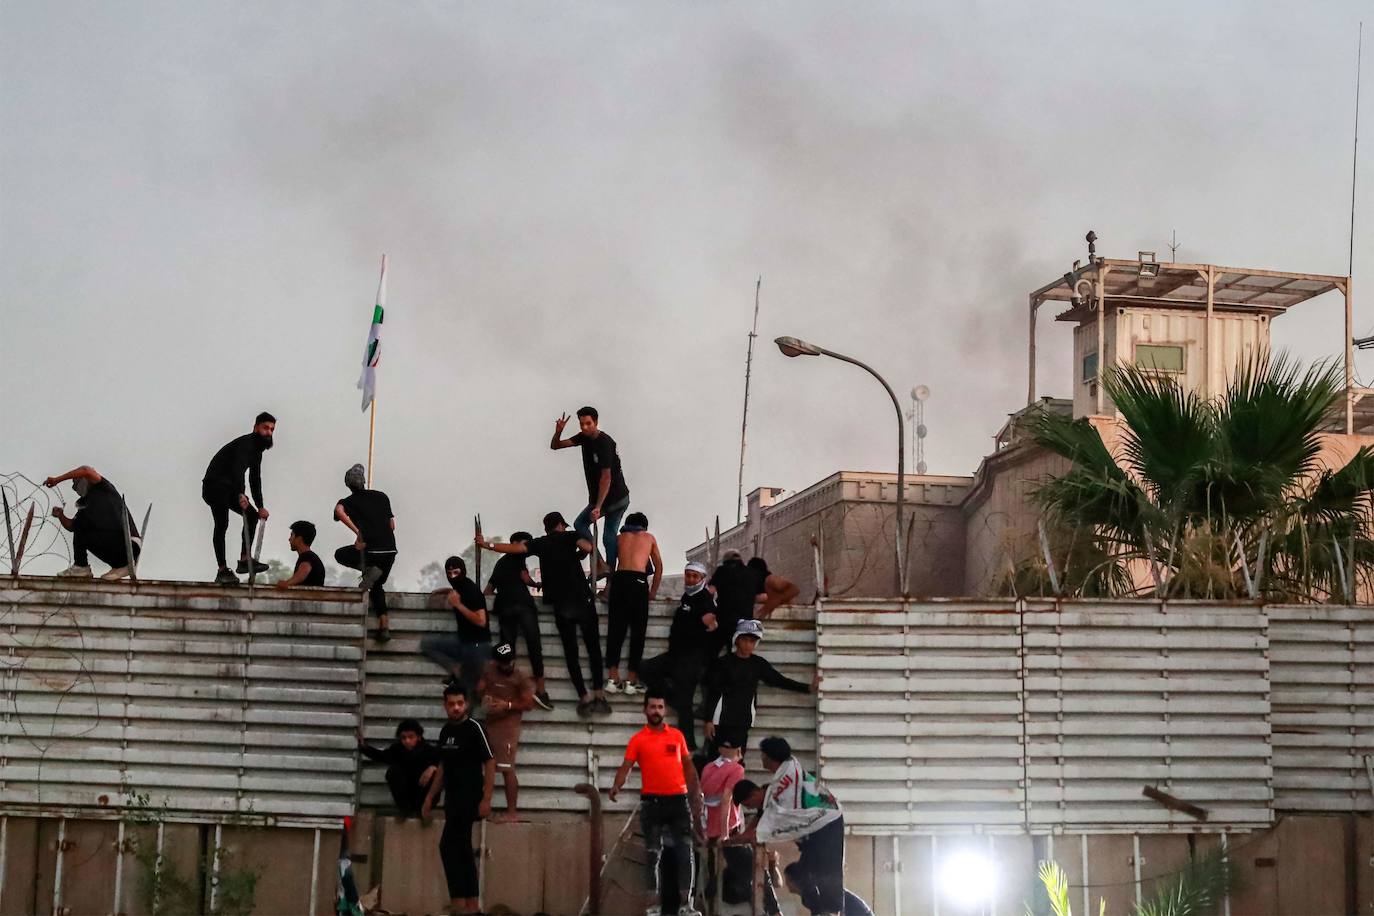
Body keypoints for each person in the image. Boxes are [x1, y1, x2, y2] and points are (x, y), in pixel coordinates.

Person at [477, 512, 610, 718]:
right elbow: (588, 547)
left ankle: (583, 697)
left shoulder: (540, 544)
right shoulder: (569, 537)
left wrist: (488, 545)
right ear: (560, 525)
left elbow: (515, 549)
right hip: (581, 599)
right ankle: (600, 696)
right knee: (593, 648)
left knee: (570, 652)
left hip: (560, 604)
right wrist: (583, 548)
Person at [609, 691, 705, 916]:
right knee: (653, 854)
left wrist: (696, 792)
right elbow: (627, 766)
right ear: (645, 710)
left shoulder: (677, 736)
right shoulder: (638, 740)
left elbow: (688, 767)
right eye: (652, 707)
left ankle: (686, 905)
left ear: (665, 710)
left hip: (678, 801)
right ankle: (653, 906)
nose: (656, 711)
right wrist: (617, 785)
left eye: (660, 707)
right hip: (652, 802)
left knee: (685, 852)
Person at [727, 737, 845, 916]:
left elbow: (757, 830)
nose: (761, 759)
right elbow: (756, 825)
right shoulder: (775, 786)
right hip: (814, 829)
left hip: (826, 823)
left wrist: (731, 841)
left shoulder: (784, 783)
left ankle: (829, 911)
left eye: (763, 755)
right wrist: (735, 838)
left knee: (827, 875)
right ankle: (819, 911)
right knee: (796, 875)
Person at [421, 682, 495, 916]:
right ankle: (467, 904)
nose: (455, 708)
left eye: (459, 703)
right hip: (452, 799)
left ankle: (465, 905)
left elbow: (490, 762)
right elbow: (443, 767)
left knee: (451, 845)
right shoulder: (446, 732)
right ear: (445, 706)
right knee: (458, 847)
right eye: (451, 704)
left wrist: (486, 798)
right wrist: (431, 797)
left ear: (466, 704)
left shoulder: (475, 728)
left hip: (470, 797)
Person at [637, 562, 718, 751]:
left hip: (691, 660)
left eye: (694, 577)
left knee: (685, 706)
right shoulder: (687, 596)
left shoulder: (704, 599)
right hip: (675, 656)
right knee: (644, 669)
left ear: (702, 579)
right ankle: (674, 698)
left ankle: (688, 745)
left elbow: (711, 623)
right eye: (687, 575)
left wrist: (708, 623)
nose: (690, 580)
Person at [701, 621, 815, 753]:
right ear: (737, 640)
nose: (748, 644)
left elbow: (779, 680)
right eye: (745, 640)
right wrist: (708, 720)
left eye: (752, 641)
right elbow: (712, 692)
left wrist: (808, 688)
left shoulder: (758, 664)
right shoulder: (723, 663)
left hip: (743, 720)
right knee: (716, 760)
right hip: (721, 720)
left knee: (737, 761)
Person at [549, 406, 630, 574]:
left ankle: (606, 573)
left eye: (588, 424)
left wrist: (598, 506)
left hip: (616, 498)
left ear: (596, 422)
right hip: (601, 498)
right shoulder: (583, 438)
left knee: (599, 532)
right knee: (601, 534)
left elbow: (606, 478)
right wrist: (558, 431)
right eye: (582, 424)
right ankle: (602, 565)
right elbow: (555, 446)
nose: (585, 427)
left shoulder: (605, 442)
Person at [201, 412, 275, 586]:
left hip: (230, 487)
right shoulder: (246, 444)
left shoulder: (257, 451)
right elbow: (237, 469)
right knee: (222, 523)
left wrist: (260, 506)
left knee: (252, 516)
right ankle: (222, 569)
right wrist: (241, 494)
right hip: (215, 486)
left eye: (272, 429)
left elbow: (255, 479)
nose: (269, 433)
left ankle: (244, 559)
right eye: (265, 428)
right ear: (256, 427)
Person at [484, 531, 551, 710]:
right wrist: (535, 585)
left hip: (505, 607)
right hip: (522, 605)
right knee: (533, 645)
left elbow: (489, 589)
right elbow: (524, 578)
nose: (526, 548)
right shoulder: (516, 557)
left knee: (507, 648)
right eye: (523, 544)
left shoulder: (503, 562)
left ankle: (505, 689)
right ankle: (541, 690)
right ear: (514, 543)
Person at [334, 463, 397, 641]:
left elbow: (339, 512)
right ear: (363, 482)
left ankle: (368, 569)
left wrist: (358, 533)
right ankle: (384, 627)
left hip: (372, 551)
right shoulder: (382, 496)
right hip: (390, 550)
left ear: (348, 485)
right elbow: (392, 525)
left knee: (341, 554)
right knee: (376, 585)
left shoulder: (347, 501)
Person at [43, 465, 140, 579]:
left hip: (129, 545)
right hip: (115, 554)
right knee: (81, 524)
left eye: (77, 482)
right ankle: (115, 566)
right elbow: (73, 527)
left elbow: (86, 470)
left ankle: (81, 566)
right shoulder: (86, 506)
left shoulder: (102, 488)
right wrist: (60, 515)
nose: (76, 487)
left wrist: (57, 480)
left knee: (82, 523)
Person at [605, 511, 663, 696]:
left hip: (620, 581)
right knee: (638, 632)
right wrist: (652, 591)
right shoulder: (649, 537)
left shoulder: (618, 537)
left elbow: (611, 565)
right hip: (638, 582)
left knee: (616, 630)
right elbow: (659, 566)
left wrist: (607, 588)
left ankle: (613, 678)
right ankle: (631, 680)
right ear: (644, 526)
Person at [420, 557, 493, 702]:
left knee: (467, 694)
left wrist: (458, 605)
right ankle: (456, 669)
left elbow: (481, 621)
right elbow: (459, 592)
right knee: (427, 644)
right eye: (449, 573)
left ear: (463, 571)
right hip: (463, 641)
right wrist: (445, 590)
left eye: (456, 572)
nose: (453, 576)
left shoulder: (471, 590)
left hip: (477, 646)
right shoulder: (460, 587)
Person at [478, 641, 535, 821]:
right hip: (490, 722)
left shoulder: (521, 677)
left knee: (506, 768)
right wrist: (483, 697)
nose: (507, 665)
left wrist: (508, 705)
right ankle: (483, 806)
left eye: (510, 661)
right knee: (487, 766)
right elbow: (478, 689)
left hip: (508, 725)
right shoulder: (488, 670)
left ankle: (512, 812)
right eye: (503, 662)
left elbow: (529, 703)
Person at [700, 739, 752, 908]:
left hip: (708, 827)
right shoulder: (737, 769)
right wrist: (725, 833)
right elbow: (726, 800)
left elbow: (703, 798)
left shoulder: (708, 768)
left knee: (712, 864)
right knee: (743, 862)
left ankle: (711, 894)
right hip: (728, 826)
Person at [357, 718, 440, 816]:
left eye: (411, 737)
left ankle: (422, 810)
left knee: (435, 774)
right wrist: (364, 747)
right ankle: (406, 810)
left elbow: (444, 765)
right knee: (393, 771)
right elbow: (382, 756)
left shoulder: (429, 751)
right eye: (403, 738)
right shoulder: (397, 750)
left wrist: (433, 768)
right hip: (407, 797)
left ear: (418, 737)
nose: (407, 741)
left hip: (425, 797)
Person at [777, 861, 874, 916]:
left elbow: (827, 912)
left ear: (793, 880)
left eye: (787, 879)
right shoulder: (808, 894)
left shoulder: (813, 892)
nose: (786, 884)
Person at [707, 552, 758, 649]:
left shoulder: (722, 570)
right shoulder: (752, 573)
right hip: (745, 623)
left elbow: (710, 591)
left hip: (724, 619)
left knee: (712, 651)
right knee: (738, 653)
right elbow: (761, 596)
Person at [274, 520, 326, 588]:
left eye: (292, 535)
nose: (289, 539)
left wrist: (287, 583)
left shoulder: (307, 556)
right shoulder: (310, 557)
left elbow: (304, 571)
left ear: (299, 539)